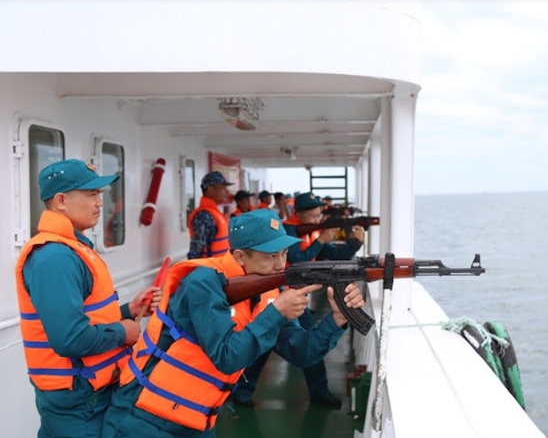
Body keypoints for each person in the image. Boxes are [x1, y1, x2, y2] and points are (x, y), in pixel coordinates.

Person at [102, 209, 364, 438]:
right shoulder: (203, 283)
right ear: (239, 256)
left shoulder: (269, 290)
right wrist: (276, 313)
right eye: (270, 256)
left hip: (196, 419)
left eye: (284, 254)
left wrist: (336, 318)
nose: (280, 265)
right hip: (143, 418)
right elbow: (226, 357)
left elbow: (302, 352)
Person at [14, 159, 160, 438]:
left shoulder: (70, 249)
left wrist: (128, 310)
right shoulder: (54, 257)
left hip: (89, 395)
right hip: (79, 402)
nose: (100, 203)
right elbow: (69, 338)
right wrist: (123, 332)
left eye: (100, 194)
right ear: (61, 201)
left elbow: (86, 316)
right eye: (92, 194)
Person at [233, 192, 365, 409]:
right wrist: (320, 240)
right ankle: (316, 391)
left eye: (318, 216)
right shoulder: (287, 233)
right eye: (313, 217)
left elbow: (332, 254)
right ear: (300, 215)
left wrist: (354, 244)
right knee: (266, 343)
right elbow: (295, 261)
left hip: (287, 295)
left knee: (266, 343)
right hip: (282, 295)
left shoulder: (310, 232)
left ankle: (243, 390)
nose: (317, 220)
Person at [187, 171, 234, 259]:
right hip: (211, 267)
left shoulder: (214, 213)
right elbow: (195, 251)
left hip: (221, 266)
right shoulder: (204, 216)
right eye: (223, 188)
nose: (227, 191)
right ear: (211, 190)